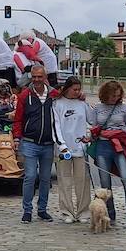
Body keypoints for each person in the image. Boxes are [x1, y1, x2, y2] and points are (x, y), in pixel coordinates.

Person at [89, 81, 126, 229]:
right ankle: (109, 215)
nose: (115, 98)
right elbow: (94, 127)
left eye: (118, 96)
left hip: (120, 146)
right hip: (103, 146)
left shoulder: (123, 108)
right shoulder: (98, 108)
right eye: (112, 96)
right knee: (105, 184)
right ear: (105, 94)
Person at [12, 63, 58, 223]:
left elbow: (68, 100)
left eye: (40, 76)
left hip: (48, 143)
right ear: (31, 77)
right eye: (34, 77)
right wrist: (17, 138)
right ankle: (27, 210)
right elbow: (18, 119)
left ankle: (42, 209)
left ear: (45, 77)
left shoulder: (54, 95)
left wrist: (79, 96)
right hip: (30, 142)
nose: (37, 80)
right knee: (30, 176)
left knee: (45, 178)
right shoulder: (25, 95)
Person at [52, 76, 92, 224]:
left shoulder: (81, 104)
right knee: (65, 181)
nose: (77, 92)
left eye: (78, 89)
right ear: (67, 88)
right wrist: (62, 146)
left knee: (82, 181)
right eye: (74, 89)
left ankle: (83, 212)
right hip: (64, 150)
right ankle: (66, 212)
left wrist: (85, 101)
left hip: (80, 148)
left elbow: (92, 119)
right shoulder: (57, 104)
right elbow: (55, 126)